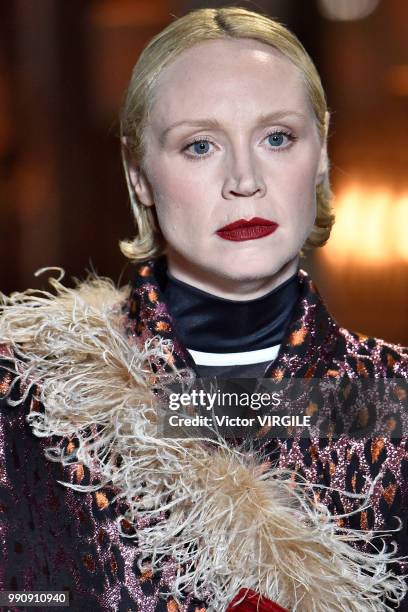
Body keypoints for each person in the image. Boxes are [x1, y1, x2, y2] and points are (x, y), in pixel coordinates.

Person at [0, 6, 407, 611]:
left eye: (277, 138)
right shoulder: (30, 393)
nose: (244, 179)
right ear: (139, 173)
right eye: (199, 145)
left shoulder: (393, 397)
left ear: (320, 151)